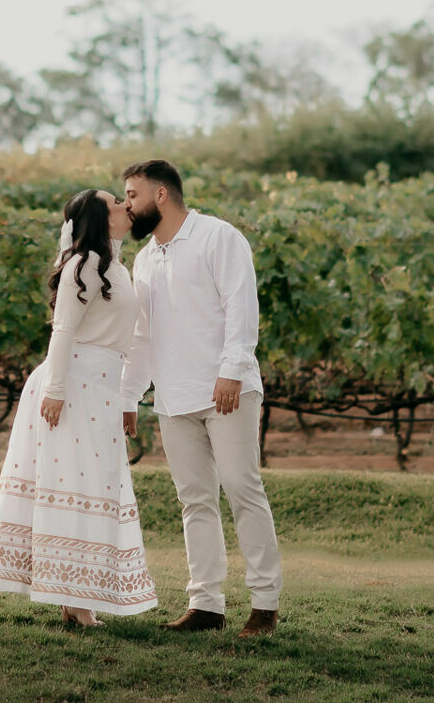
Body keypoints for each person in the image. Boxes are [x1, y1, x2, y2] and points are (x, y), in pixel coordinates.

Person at [0, 188, 158, 626]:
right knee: (33, 485)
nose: (126, 207)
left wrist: (127, 395)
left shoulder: (117, 268)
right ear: (99, 219)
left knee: (88, 491)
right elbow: (63, 329)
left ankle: (76, 600)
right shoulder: (83, 264)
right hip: (68, 388)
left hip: (101, 391)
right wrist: (54, 390)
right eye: (115, 203)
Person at [118, 158, 282, 637]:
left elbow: (240, 304)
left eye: (132, 194)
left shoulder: (219, 237)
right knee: (194, 501)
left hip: (226, 391)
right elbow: (143, 338)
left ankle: (265, 604)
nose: (128, 205)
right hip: (172, 398)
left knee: (242, 490)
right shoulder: (144, 258)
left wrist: (232, 370)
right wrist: (130, 395)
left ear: (160, 195)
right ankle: (206, 605)